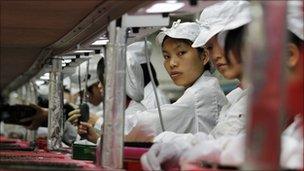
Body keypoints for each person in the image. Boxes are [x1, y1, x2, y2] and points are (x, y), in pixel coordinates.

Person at [140, 1, 252, 170]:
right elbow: (218, 141)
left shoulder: (207, 92)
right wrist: (178, 144)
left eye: (222, 43)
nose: (216, 55)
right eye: (210, 47)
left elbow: (224, 149)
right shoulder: (235, 97)